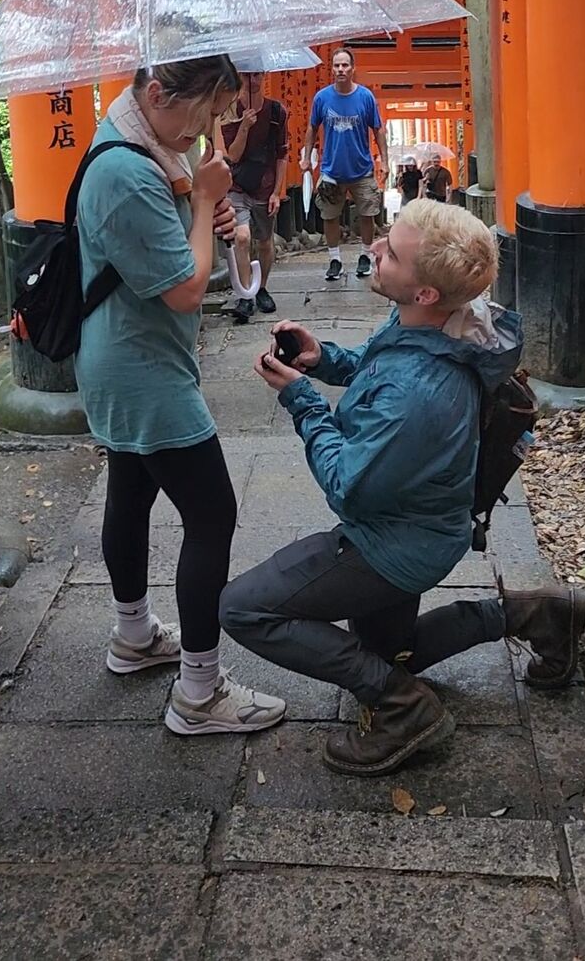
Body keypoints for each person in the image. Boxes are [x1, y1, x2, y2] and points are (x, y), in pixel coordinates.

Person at [220, 199, 585, 776]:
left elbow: (347, 487)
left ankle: (402, 709)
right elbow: (377, 358)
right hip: (426, 524)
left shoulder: (418, 397)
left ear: (425, 294)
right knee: (387, 653)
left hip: (390, 544)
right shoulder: (439, 323)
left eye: (390, 252)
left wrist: (301, 400)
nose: (374, 249)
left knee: (243, 609)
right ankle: (538, 615)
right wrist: (324, 360)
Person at [75, 57, 285, 736]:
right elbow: (186, 288)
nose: (204, 131)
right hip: (144, 373)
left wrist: (201, 202)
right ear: (158, 92)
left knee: (131, 492)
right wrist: (199, 202)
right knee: (213, 512)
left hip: (128, 356)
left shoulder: (142, 143)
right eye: (200, 115)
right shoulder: (126, 171)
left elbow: (175, 248)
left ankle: (132, 634)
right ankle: (199, 691)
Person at [302, 48, 388, 282]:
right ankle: (334, 260)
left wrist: (385, 161)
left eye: (345, 65)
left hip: (361, 168)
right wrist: (306, 158)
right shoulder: (322, 98)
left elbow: (378, 129)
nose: (340, 69)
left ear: (353, 69)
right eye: (336, 65)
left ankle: (364, 256)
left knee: (367, 213)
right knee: (329, 216)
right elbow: (311, 128)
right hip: (331, 169)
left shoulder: (365, 97)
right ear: (332, 69)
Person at [220, 72, 289, 324]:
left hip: (265, 185)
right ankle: (245, 293)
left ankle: (261, 287)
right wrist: (244, 127)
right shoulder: (229, 112)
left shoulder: (276, 112)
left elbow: (282, 154)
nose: (253, 80)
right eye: (247, 75)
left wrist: (277, 192)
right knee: (241, 237)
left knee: (264, 242)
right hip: (237, 185)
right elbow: (233, 156)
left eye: (257, 74)